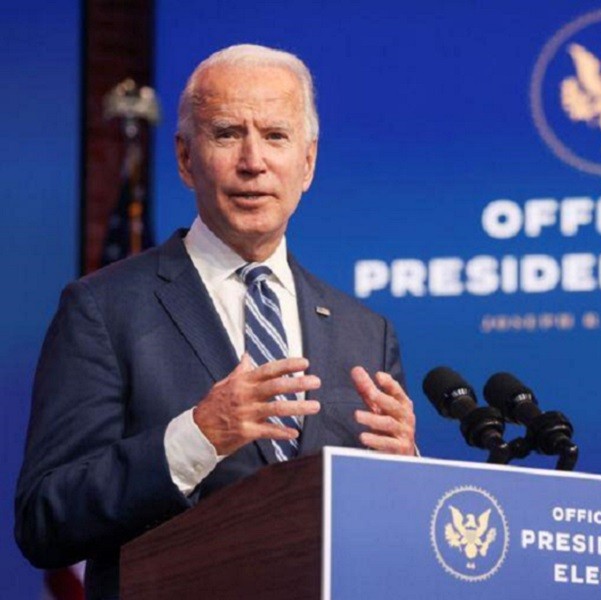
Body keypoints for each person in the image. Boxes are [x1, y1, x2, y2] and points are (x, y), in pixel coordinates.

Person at [15, 44, 416, 600]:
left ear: (308, 162)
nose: (253, 161)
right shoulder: (103, 309)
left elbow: (390, 542)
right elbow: (46, 520)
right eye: (227, 134)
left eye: (276, 136)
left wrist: (408, 479)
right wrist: (198, 437)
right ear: (184, 158)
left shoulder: (365, 332)